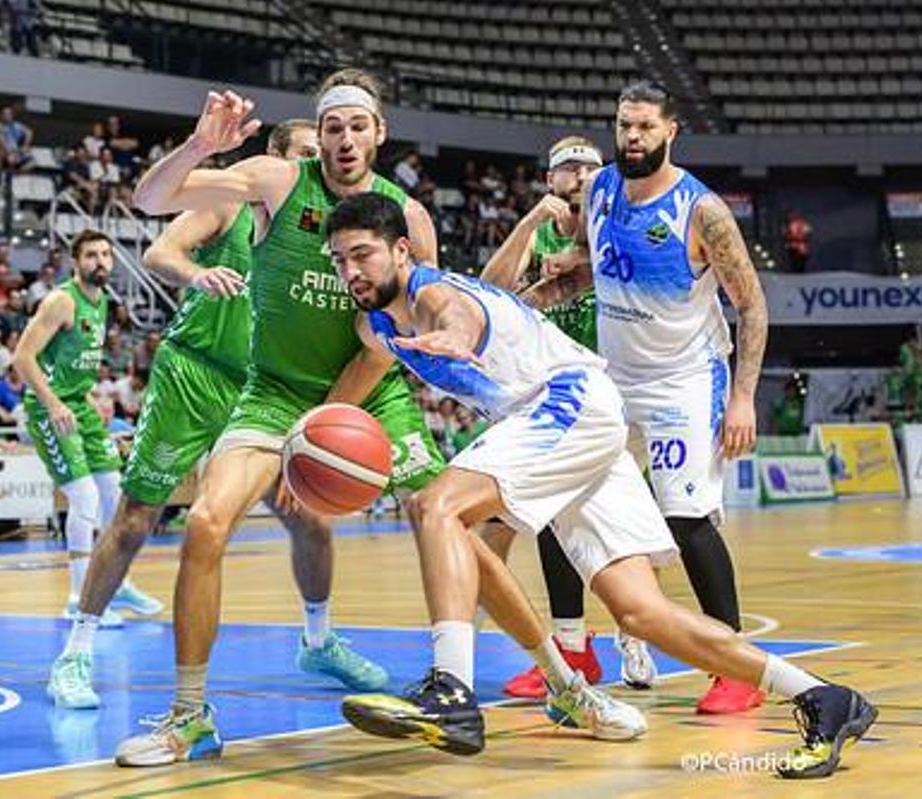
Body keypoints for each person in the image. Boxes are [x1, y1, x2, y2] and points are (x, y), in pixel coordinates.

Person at [112, 75, 600, 766]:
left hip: (372, 394)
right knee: (204, 521)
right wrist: (199, 146)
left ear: (379, 133)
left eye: (356, 127)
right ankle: (190, 714)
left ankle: (565, 682)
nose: (343, 139)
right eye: (333, 126)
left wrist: (327, 419)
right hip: (274, 391)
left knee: (456, 531)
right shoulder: (278, 179)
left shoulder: (410, 218)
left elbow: (419, 320)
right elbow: (151, 198)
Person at [328, 192, 877, 779]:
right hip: (580, 424)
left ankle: (453, 692)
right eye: (338, 260)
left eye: (362, 254)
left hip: (565, 403)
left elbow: (456, 318)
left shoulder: (436, 295)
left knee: (434, 506)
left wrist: (455, 338)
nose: (350, 270)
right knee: (640, 612)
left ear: (402, 250)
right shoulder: (377, 324)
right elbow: (361, 372)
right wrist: (303, 440)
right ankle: (822, 695)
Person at [48, 119, 389, 710]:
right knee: (135, 517)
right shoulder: (238, 202)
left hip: (266, 389)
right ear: (276, 158)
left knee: (310, 517)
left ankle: (319, 638)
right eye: (307, 155)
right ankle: (76, 651)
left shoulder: (328, 238)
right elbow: (160, 249)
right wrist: (197, 274)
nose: (318, 169)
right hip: (196, 373)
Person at [522, 81, 771, 715]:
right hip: (614, 376)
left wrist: (742, 397)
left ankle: (736, 667)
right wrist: (549, 288)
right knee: (557, 496)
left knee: (686, 521)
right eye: (624, 126)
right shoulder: (601, 187)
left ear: (670, 131)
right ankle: (574, 648)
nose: (632, 138)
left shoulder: (701, 210)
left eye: (644, 128)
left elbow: (751, 305)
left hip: (685, 382)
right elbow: (592, 266)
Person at [478, 135, 607, 698]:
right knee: (554, 519)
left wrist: (579, 261)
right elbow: (487, 290)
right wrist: (529, 223)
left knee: (651, 525)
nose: (577, 176)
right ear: (549, 181)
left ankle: (630, 638)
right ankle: (573, 646)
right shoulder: (539, 231)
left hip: (622, 388)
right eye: (566, 169)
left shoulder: (619, 226)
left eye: (588, 168)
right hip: (556, 392)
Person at [13, 230, 160, 628]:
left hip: (80, 406)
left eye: (106, 255)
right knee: (84, 498)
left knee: (115, 498)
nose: (101, 262)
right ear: (75, 263)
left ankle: (119, 583)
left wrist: (90, 395)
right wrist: (54, 402)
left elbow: (75, 364)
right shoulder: (61, 301)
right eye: (91, 255)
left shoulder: (104, 302)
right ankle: (78, 599)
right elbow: (22, 359)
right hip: (49, 409)